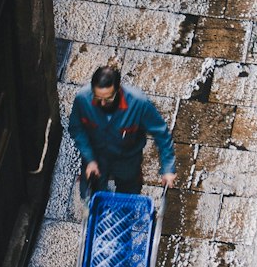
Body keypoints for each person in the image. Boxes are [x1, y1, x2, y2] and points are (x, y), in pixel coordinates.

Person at [68, 64, 177, 196]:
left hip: (127, 160)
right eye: (98, 98)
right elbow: (76, 129)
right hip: (97, 157)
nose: (102, 104)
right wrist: (90, 158)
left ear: (118, 90)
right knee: (91, 194)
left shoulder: (139, 103)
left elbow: (162, 135)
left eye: (108, 99)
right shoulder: (82, 99)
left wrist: (168, 168)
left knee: (128, 195)